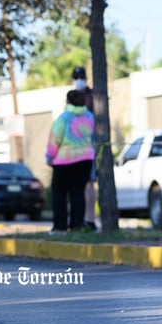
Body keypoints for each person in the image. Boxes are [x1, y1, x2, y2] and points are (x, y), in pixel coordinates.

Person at [46, 89, 95, 233]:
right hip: (85, 160)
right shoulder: (90, 117)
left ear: (67, 101)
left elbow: (54, 140)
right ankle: (76, 226)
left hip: (64, 161)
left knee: (59, 193)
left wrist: (50, 157)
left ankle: (60, 227)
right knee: (78, 194)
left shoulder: (63, 119)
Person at [71, 66, 97, 231]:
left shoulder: (92, 97)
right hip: (74, 151)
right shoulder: (72, 98)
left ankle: (90, 219)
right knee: (76, 187)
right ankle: (78, 219)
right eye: (77, 77)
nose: (79, 79)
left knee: (88, 185)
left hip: (87, 149)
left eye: (81, 76)